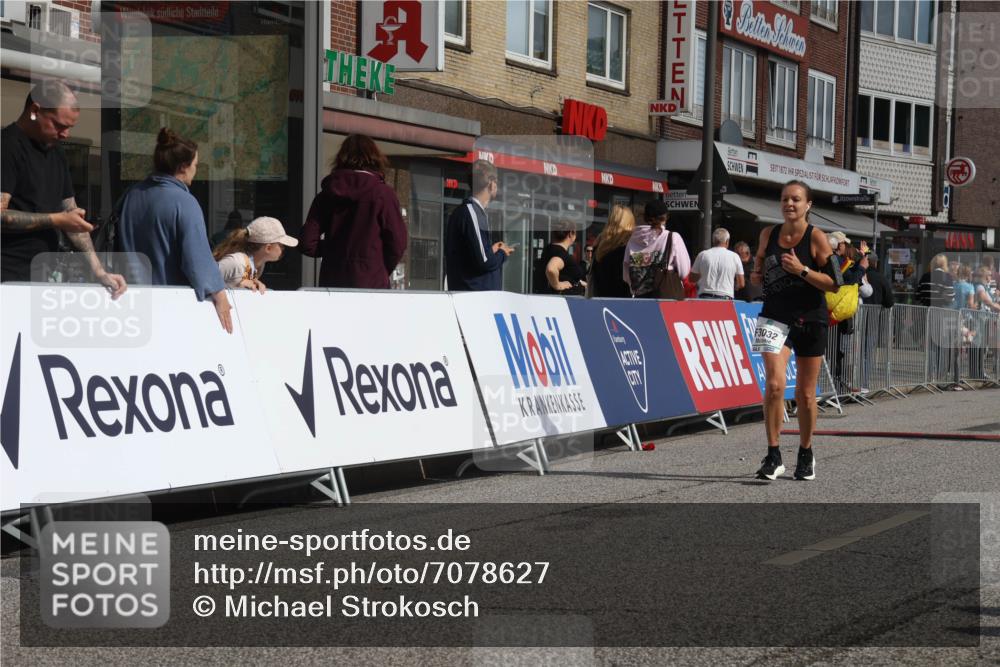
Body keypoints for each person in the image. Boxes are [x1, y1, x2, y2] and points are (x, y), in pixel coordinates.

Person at [1, 80, 126, 296]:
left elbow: (71, 217)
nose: (65, 134)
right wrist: (56, 219)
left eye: (69, 128)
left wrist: (98, 270)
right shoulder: (7, 146)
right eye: (59, 125)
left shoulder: (56, 153)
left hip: (41, 277)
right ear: (35, 110)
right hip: (6, 279)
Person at [750, 180, 839, 482]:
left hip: (810, 318)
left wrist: (801, 269)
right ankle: (773, 455)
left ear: (808, 205)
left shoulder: (817, 239)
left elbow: (834, 283)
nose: (790, 204)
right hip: (774, 317)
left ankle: (806, 451)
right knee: (774, 385)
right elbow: (760, 260)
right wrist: (758, 270)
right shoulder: (768, 234)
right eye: (785, 199)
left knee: (805, 394)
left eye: (796, 199)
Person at [116, 128, 232, 333]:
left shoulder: (131, 195)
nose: (196, 170)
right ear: (183, 167)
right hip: (167, 307)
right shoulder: (185, 202)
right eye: (195, 165)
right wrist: (220, 294)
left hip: (127, 304)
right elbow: (198, 261)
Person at [299, 135, 407, 288]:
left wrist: (334, 249)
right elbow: (397, 242)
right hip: (372, 283)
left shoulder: (326, 194)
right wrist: (378, 266)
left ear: (341, 159)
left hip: (332, 282)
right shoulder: (383, 194)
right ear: (375, 159)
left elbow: (307, 243)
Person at [444, 159, 513, 291]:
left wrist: (491, 250)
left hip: (471, 295)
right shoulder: (472, 212)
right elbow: (484, 262)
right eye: (497, 182)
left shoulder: (467, 212)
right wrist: (502, 253)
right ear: (491, 183)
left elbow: (472, 257)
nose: (497, 186)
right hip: (476, 297)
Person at [624, 199, 690, 298]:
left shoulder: (632, 240)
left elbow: (626, 274)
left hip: (641, 298)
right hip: (665, 296)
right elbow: (684, 271)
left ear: (645, 217)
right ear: (665, 217)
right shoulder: (672, 237)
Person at [214, 216, 298, 292]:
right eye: (281, 245)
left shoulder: (259, 266)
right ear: (268, 248)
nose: (284, 249)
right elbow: (205, 282)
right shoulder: (236, 262)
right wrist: (235, 288)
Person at [590, 205, 635, 298]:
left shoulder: (599, 244)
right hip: (623, 301)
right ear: (629, 223)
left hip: (601, 299)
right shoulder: (628, 247)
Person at [688, 227, 744, 299]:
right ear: (727, 241)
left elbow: (692, 278)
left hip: (705, 296)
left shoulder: (703, 255)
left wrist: (704, 273)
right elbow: (741, 283)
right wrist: (734, 287)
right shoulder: (735, 257)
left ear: (713, 241)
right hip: (726, 296)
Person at [533, 220, 586, 295]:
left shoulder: (550, 249)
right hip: (562, 301)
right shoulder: (561, 253)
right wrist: (557, 285)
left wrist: (579, 282)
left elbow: (564, 275)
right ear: (571, 233)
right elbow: (551, 269)